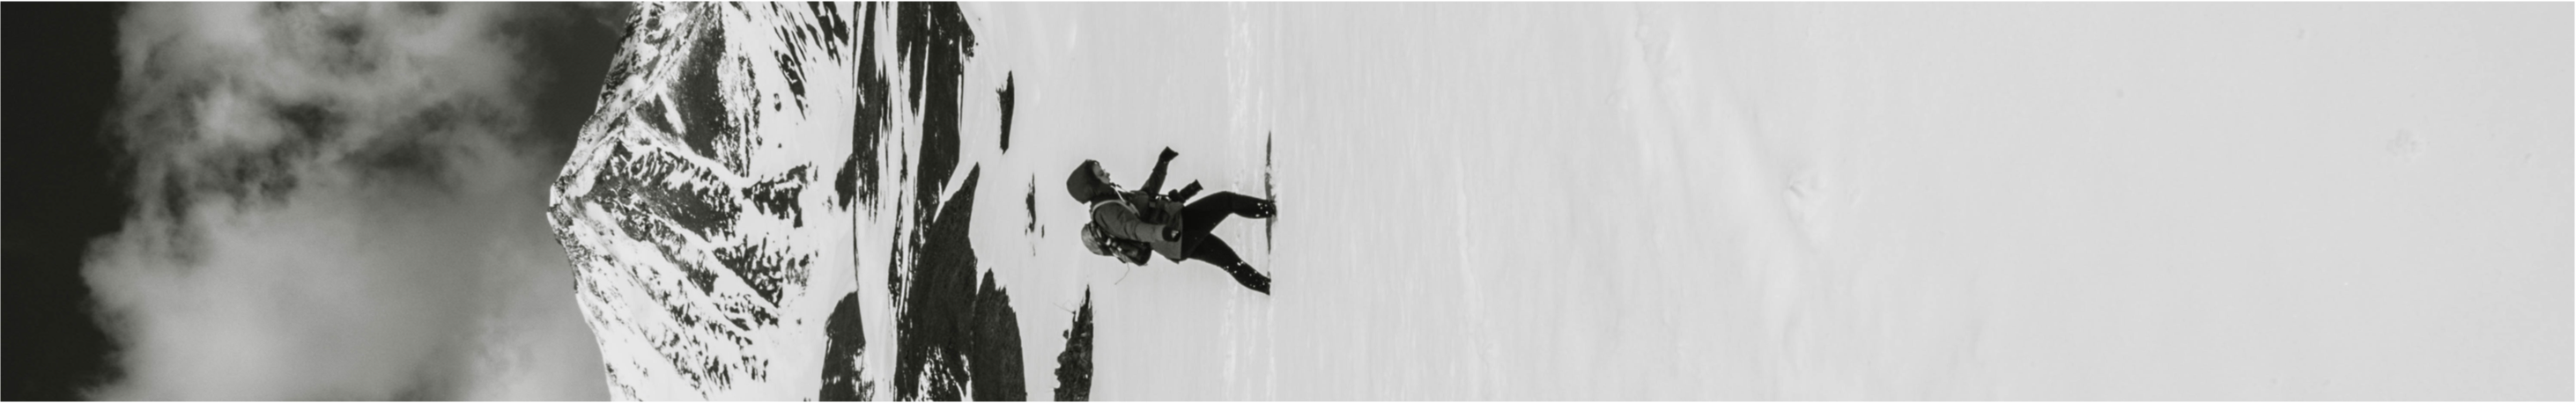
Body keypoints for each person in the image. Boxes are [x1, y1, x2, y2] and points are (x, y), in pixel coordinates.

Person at [1067, 148, 1277, 294]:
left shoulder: (1113, 196)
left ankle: (1269, 288)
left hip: (1176, 240)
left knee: (1227, 259)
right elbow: (1135, 230)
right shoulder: (1106, 212)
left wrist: (1162, 163)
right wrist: (1163, 233)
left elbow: (1147, 194)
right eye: (1101, 174)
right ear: (1093, 185)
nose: (1107, 173)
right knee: (1226, 201)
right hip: (1176, 233)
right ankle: (1273, 209)